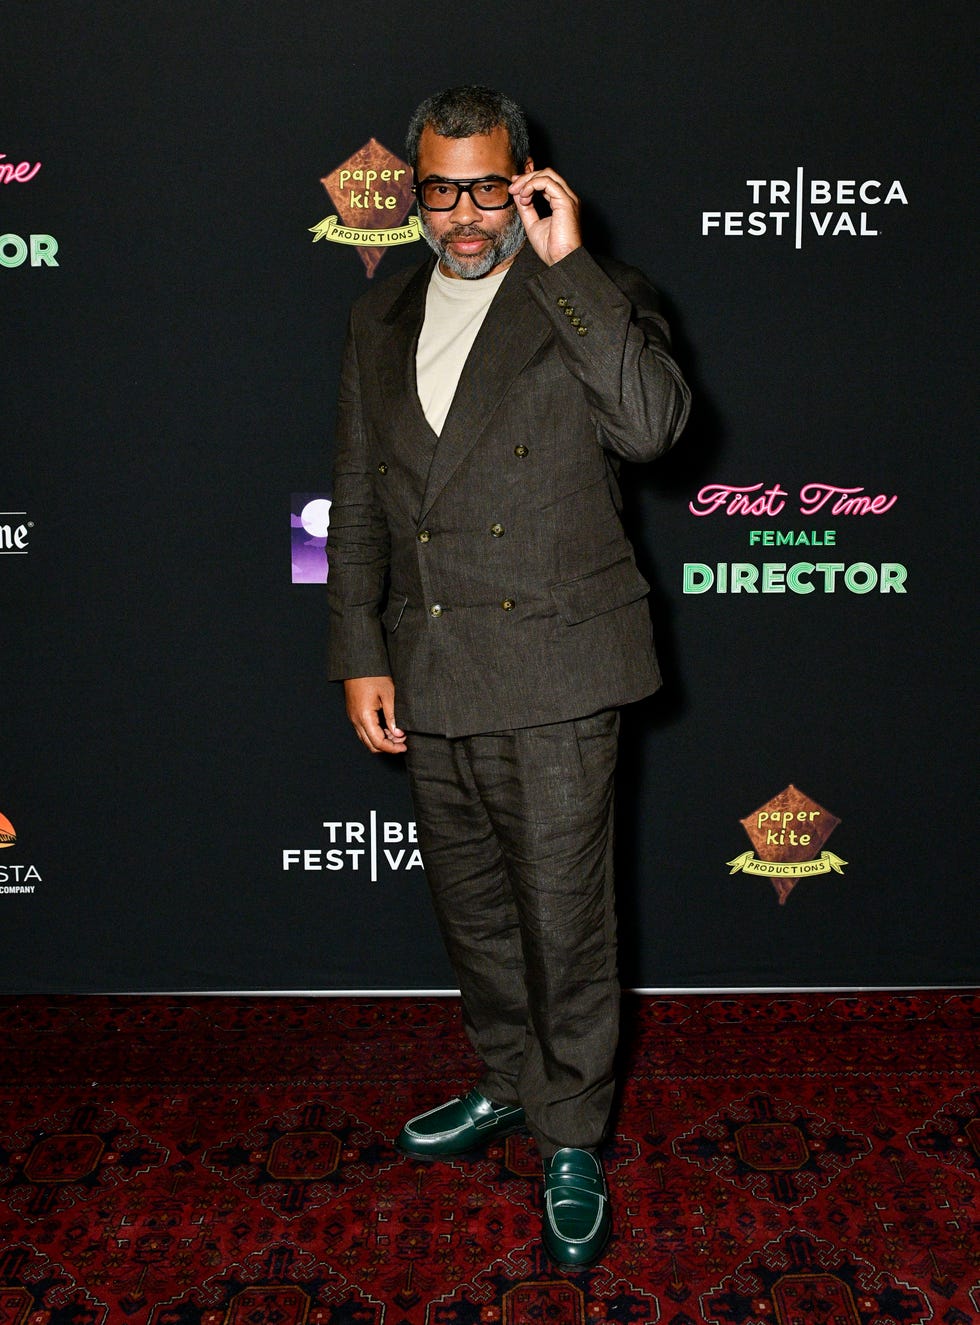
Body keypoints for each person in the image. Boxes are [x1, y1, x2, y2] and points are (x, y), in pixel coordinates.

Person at [327, 85, 690, 1269]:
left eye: (489, 185)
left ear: (527, 178)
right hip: (432, 666)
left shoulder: (590, 292)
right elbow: (363, 502)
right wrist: (360, 652)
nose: (467, 215)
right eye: (442, 189)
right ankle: (505, 1080)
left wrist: (567, 263)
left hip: (556, 663)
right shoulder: (379, 314)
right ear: (414, 194)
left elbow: (651, 426)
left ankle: (571, 1128)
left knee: (562, 917)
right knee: (475, 909)